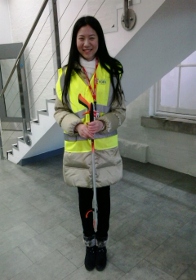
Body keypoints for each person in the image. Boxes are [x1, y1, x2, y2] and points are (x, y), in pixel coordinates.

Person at [54, 15, 126, 272]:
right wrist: (77, 125)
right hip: (79, 152)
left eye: (91, 37)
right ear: (75, 41)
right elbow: (59, 111)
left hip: (105, 151)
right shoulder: (64, 74)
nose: (87, 43)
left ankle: (102, 242)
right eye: (82, 38)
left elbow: (120, 111)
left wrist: (105, 122)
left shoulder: (112, 70)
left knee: (104, 201)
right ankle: (89, 244)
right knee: (84, 200)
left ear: (99, 40)